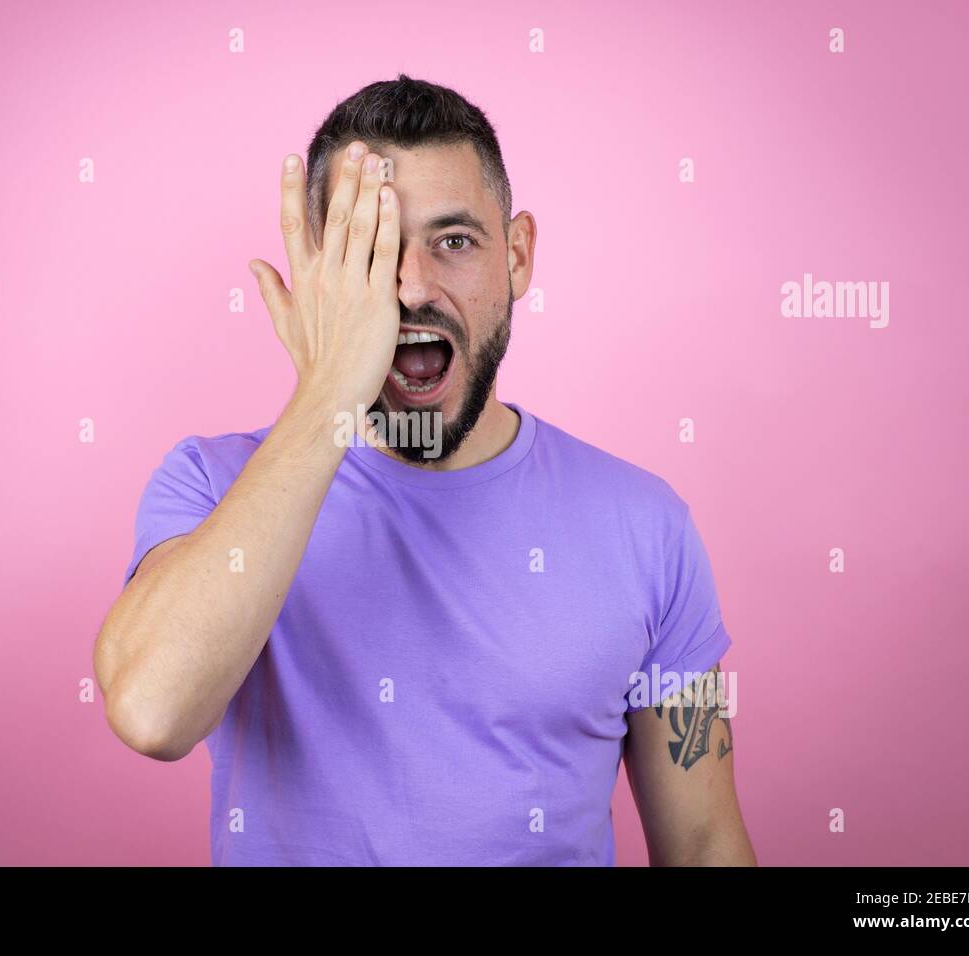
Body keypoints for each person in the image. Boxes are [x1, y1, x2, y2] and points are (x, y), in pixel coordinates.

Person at [95, 74, 755, 866]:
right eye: (370, 250)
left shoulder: (651, 526)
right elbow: (152, 712)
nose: (409, 286)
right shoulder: (209, 487)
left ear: (516, 257)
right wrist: (331, 388)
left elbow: (706, 840)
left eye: (454, 242)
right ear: (319, 278)